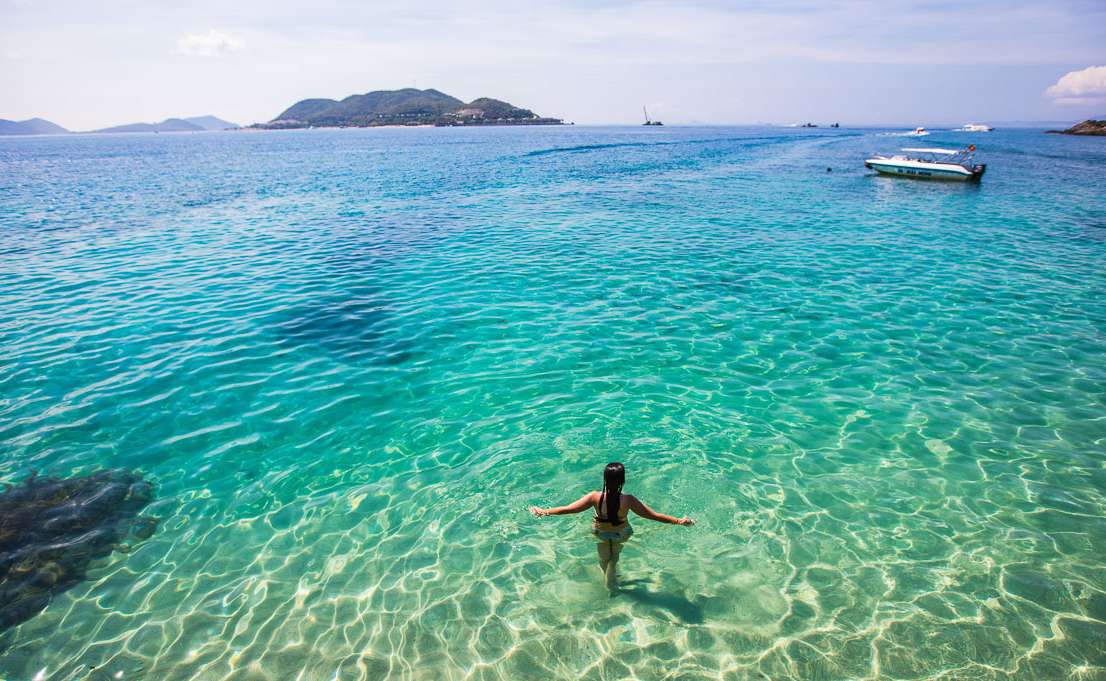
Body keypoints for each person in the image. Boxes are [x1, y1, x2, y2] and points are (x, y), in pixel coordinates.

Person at [529, 462, 694, 590]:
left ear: (605, 479)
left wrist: (543, 511)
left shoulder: (594, 497)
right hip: (622, 533)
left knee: (604, 559)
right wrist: (679, 521)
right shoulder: (628, 500)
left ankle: (609, 581)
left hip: (600, 533)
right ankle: (613, 577)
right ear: (622, 480)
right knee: (614, 557)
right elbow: (654, 516)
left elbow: (569, 509)